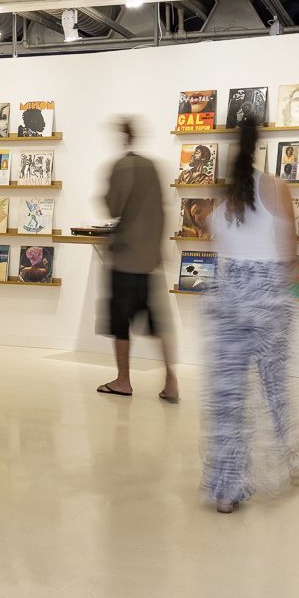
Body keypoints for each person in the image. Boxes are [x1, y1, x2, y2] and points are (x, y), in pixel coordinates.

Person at [202, 117, 299, 512]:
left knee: (229, 398)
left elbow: (216, 237)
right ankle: (290, 458)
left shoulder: (222, 194)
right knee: (274, 388)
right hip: (267, 299)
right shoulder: (276, 187)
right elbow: (288, 250)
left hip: (227, 297)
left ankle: (227, 490)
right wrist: (291, 269)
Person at [98, 117, 178, 402]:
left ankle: (123, 380)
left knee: (121, 323)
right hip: (149, 259)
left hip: (125, 258)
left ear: (122, 137)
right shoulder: (153, 167)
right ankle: (171, 379)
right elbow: (162, 210)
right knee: (158, 323)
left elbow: (112, 206)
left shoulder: (121, 166)